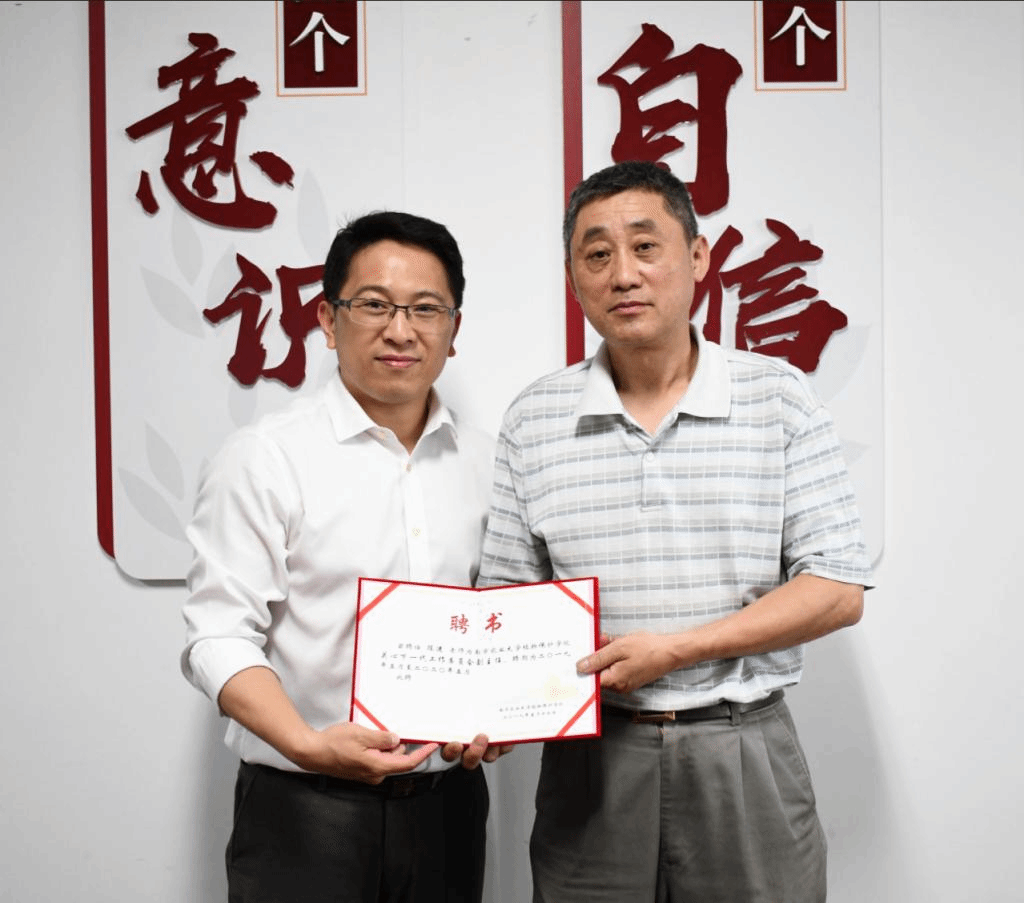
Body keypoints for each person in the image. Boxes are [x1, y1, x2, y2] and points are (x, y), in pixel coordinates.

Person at [476, 160, 874, 903]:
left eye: (645, 246)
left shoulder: (778, 397)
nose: (623, 274)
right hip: (594, 757)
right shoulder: (535, 418)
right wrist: (484, 705)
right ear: (573, 278)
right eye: (597, 254)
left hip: (741, 746)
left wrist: (678, 649)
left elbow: (836, 588)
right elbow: (506, 600)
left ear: (697, 257)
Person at [182, 210, 509, 903]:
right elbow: (217, 635)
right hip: (305, 808)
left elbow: (501, 624)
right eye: (375, 305)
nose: (401, 330)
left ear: (453, 330)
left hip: (449, 808)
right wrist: (308, 743)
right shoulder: (265, 458)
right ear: (328, 320)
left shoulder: (488, 465)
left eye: (426, 308)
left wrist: (505, 714)